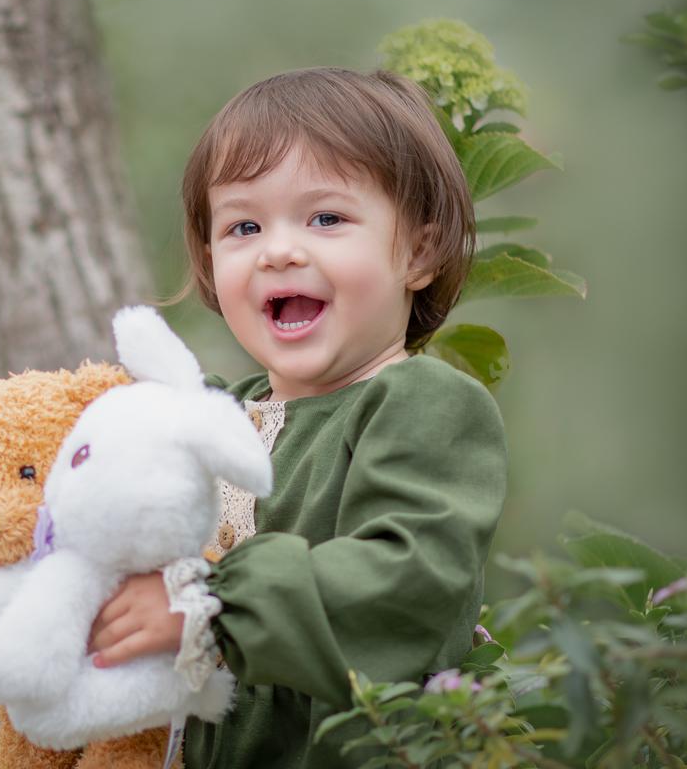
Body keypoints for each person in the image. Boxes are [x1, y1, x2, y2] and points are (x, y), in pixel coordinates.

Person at [86, 67, 508, 768]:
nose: (279, 249)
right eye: (244, 225)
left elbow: (414, 582)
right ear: (211, 260)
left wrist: (210, 609)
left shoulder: (422, 404)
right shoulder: (210, 417)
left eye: (327, 218)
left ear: (420, 252)